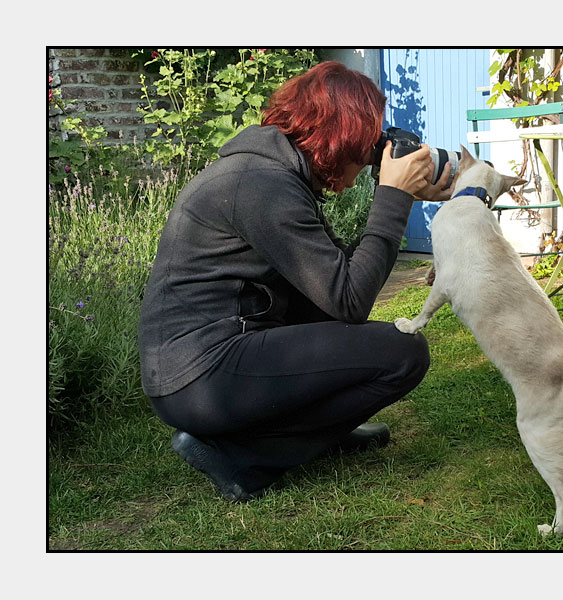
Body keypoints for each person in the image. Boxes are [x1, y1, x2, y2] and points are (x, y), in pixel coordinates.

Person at [138, 61, 453, 502]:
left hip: (206, 364)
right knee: (404, 353)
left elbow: (335, 280)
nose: (365, 162)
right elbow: (350, 299)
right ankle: (243, 457)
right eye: (363, 147)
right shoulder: (261, 183)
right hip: (200, 377)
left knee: (336, 323)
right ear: (337, 136)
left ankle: (320, 434)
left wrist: (408, 196)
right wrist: (393, 198)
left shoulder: (273, 173)